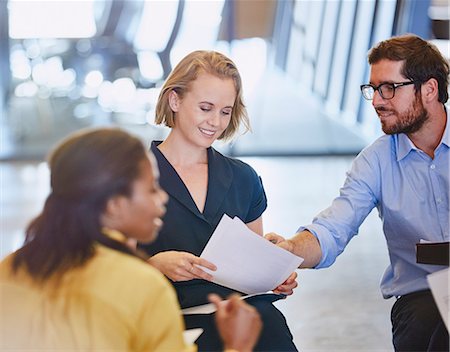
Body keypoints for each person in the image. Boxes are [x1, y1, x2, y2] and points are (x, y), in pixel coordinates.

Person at [0, 127, 262, 351]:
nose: (162, 198)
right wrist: (236, 345)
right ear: (113, 204)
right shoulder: (142, 286)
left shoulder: (8, 269)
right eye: (151, 188)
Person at [266, 34, 449, 351]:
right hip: (420, 302)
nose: (377, 101)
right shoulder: (375, 161)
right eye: (374, 89)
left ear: (430, 89)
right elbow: (334, 227)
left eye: (389, 88)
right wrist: (288, 250)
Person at [139, 50, 298, 351]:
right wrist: (154, 265)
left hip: (237, 315)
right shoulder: (134, 176)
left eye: (225, 111)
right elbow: (103, 268)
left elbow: (252, 268)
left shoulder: (243, 178)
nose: (215, 122)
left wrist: (274, 277)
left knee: (269, 322)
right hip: (165, 318)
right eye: (205, 108)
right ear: (175, 100)